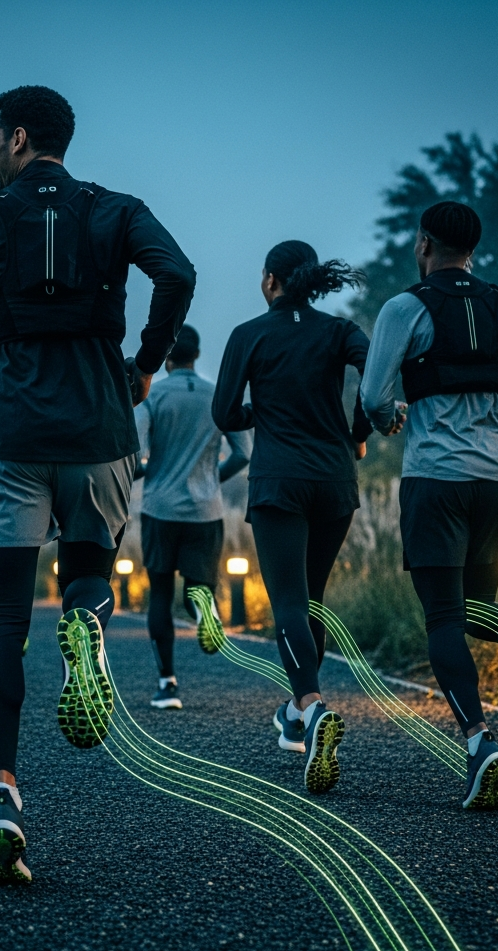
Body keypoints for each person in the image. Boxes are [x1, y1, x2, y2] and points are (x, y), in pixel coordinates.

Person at [0, 86, 195, 884]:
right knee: (87, 579)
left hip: (10, 440)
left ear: (19, 138)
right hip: (101, 436)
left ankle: (2, 793)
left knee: (2, 615)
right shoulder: (118, 211)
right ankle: (87, 629)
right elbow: (178, 273)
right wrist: (142, 361)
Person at [361, 200, 498, 811]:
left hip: (436, 476)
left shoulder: (404, 308)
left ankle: (480, 745)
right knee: (479, 604)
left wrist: (391, 416)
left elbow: (375, 394)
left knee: (444, 617)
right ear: (473, 250)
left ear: (424, 243)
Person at [213, 241, 378, 795]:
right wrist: (358, 431)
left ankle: (310, 707)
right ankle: (295, 710)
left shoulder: (249, 334)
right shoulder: (339, 331)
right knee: (312, 599)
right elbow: (374, 367)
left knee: (286, 599)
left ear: (270, 281)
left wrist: (261, 411)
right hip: (333, 480)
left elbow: (223, 412)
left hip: (278, 480)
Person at [133, 323, 251, 709]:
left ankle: (167, 683)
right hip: (206, 509)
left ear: (167, 356)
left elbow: (136, 457)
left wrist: (152, 471)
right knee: (198, 585)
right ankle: (205, 609)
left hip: (160, 508)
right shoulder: (216, 395)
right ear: (196, 355)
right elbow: (243, 452)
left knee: (161, 594)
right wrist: (210, 480)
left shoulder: (153, 397)